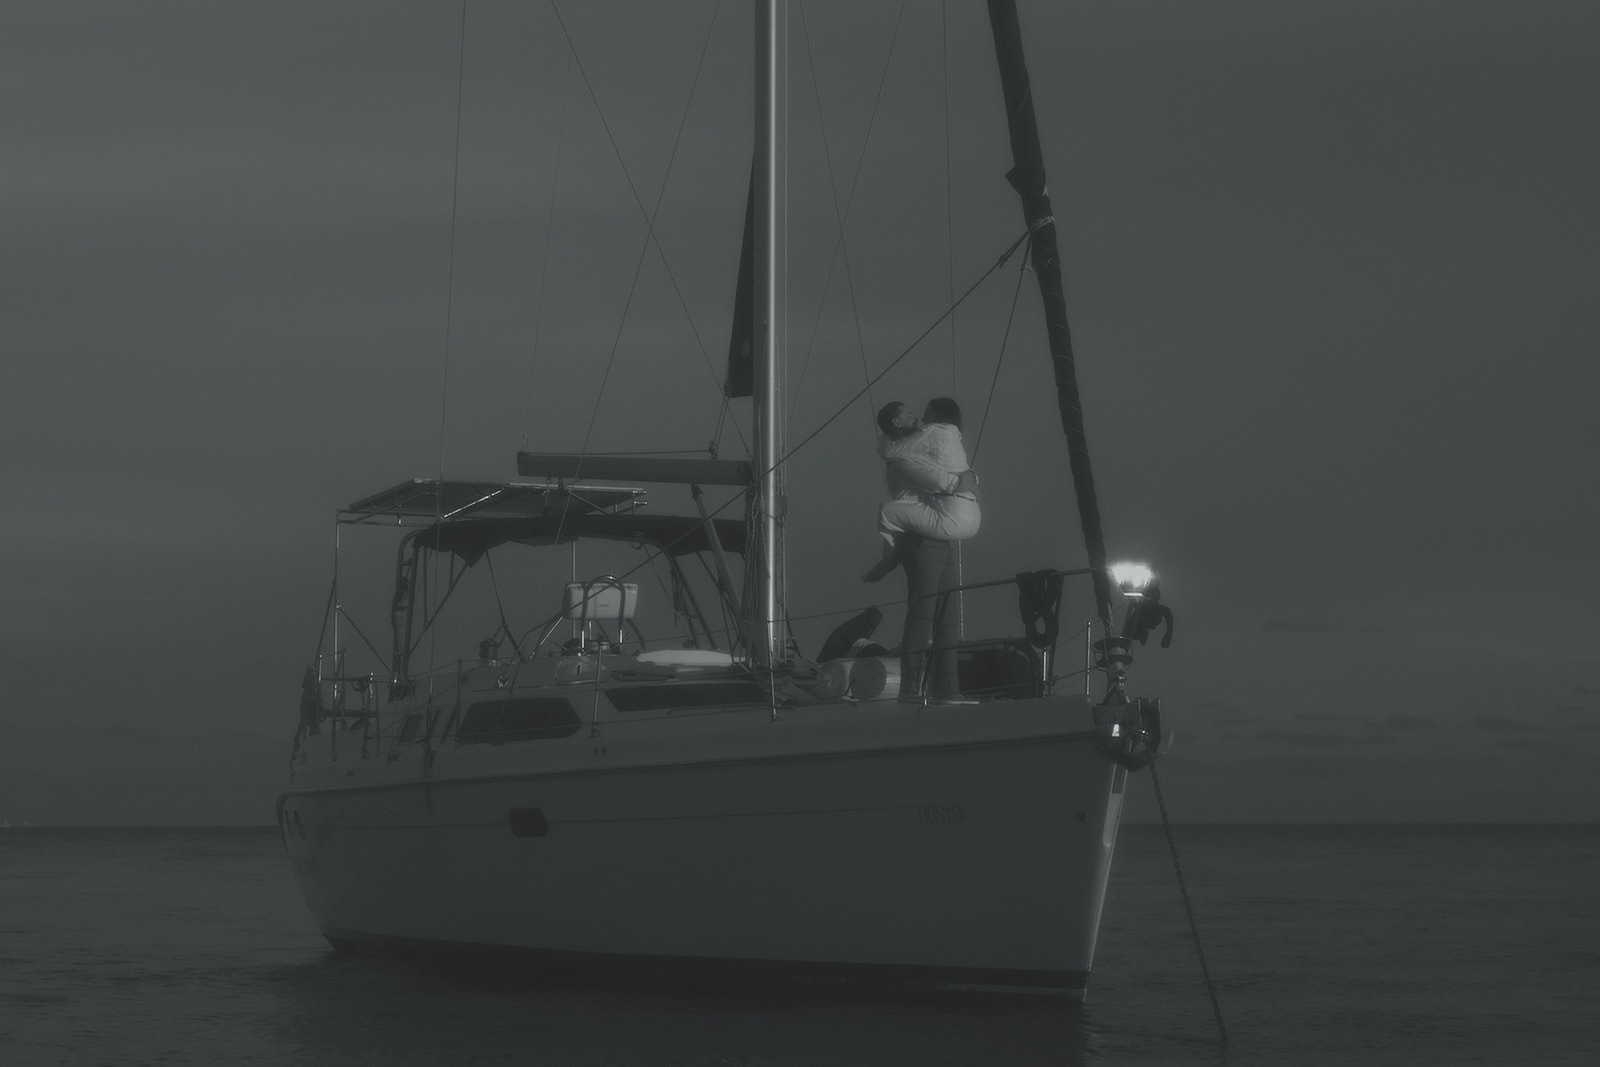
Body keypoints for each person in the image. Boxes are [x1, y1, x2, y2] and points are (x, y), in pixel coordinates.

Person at [862, 397, 979, 582]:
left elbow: (891, 451)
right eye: (909, 413)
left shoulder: (932, 431)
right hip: (970, 512)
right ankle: (892, 557)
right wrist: (972, 480)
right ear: (897, 422)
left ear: (936, 413)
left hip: (952, 518)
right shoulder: (951, 433)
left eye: (926, 412)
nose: (920, 418)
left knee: (886, 511)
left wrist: (961, 483)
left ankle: (889, 559)